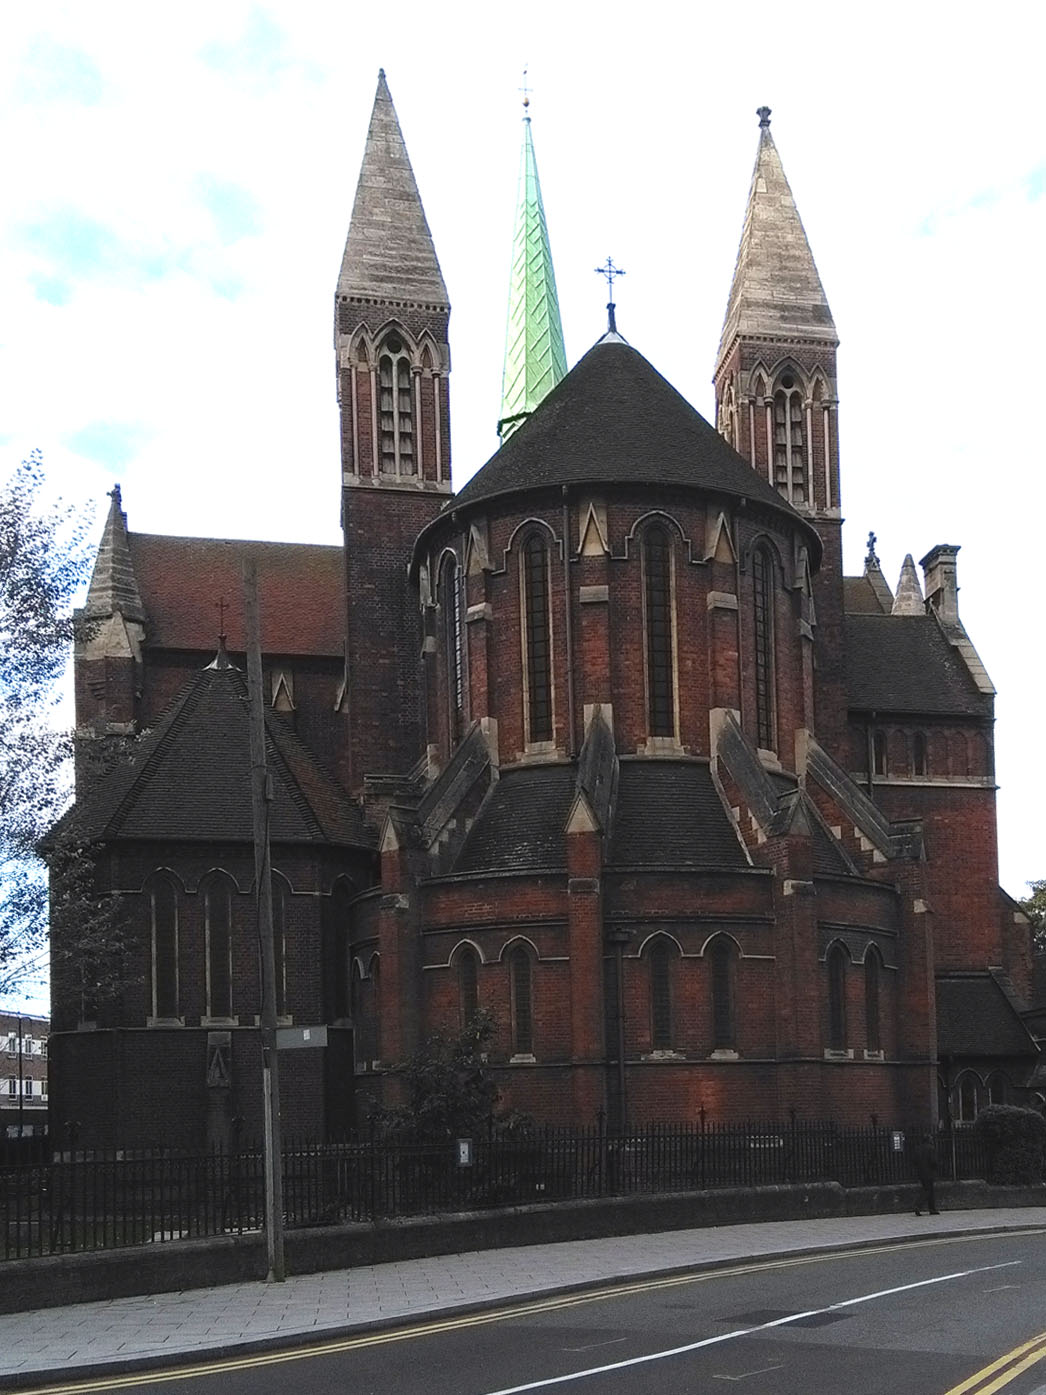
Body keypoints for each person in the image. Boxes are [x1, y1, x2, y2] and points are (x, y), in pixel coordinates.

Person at [913, 1131, 940, 1216]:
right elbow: (933, 1161)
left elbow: (914, 1161)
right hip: (929, 1172)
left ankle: (932, 1209)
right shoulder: (931, 1148)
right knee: (928, 1190)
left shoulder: (918, 1148)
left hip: (921, 1172)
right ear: (929, 1140)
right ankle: (918, 1205)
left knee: (929, 1190)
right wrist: (936, 1168)